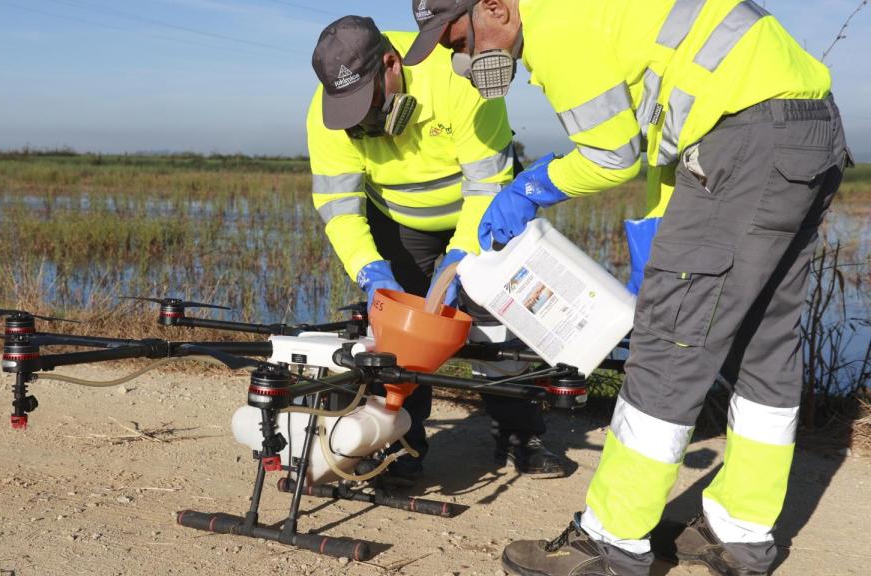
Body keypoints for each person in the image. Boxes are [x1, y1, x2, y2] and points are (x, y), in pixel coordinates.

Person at [405, 0, 851, 574]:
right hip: (804, 132)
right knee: (763, 345)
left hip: (743, 139)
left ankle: (611, 542)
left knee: (667, 348)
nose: (462, 59)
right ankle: (739, 530)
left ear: (494, 6)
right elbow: (673, 120)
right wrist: (655, 227)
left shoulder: (554, 24)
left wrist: (530, 186)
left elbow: (610, 156)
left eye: (457, 41)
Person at [308, 15, 567, 484]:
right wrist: (370, 271)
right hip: (399, 221)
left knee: (501, 320)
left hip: (481, 212)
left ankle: (519, 435)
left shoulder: (457, 76)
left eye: (368, 108)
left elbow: (487, 184)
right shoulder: (330, 114)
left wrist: (460, 256)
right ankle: (402, 443)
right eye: (350, 117)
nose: (363, 125)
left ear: (391, 64)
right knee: (399, 336)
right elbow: (338, 204)